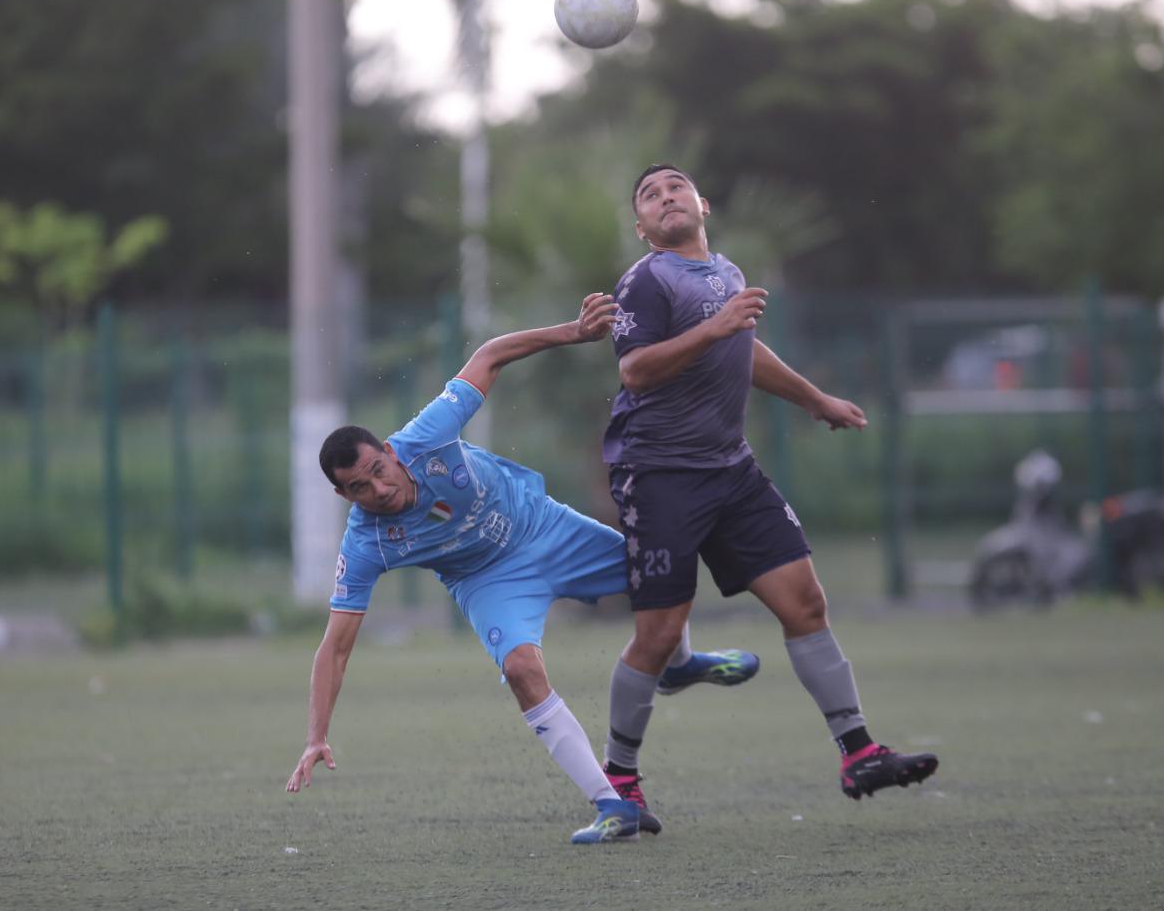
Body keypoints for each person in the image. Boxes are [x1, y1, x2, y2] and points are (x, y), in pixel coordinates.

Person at [284, 293, 761, 844]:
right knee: (520, 670)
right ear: (343, 496)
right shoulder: (367, 543)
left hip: (546, 529)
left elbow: (489, 355)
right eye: (359, 489)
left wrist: (573, 333)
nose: (380, 490)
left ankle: (677, 664)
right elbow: (335, 647)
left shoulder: (427, 435)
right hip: (489, 580)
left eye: (377, 470)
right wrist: (316, 735)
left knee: (663, 573)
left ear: (390, 452)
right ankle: (612, 805)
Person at [599, 163, 938, 804]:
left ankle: (859, 752)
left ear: (702, 203)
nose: (665, 196)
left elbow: (744, 351)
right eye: (649, 194)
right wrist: (716, 327)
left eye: (675, 187)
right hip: (659, 475)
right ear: (642, 229)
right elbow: (637, 370)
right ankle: (619, 780)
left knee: (805, 603)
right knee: (660, 635)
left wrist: (813, 399)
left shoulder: (725, 273)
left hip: (731, 470)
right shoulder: (645, 281)